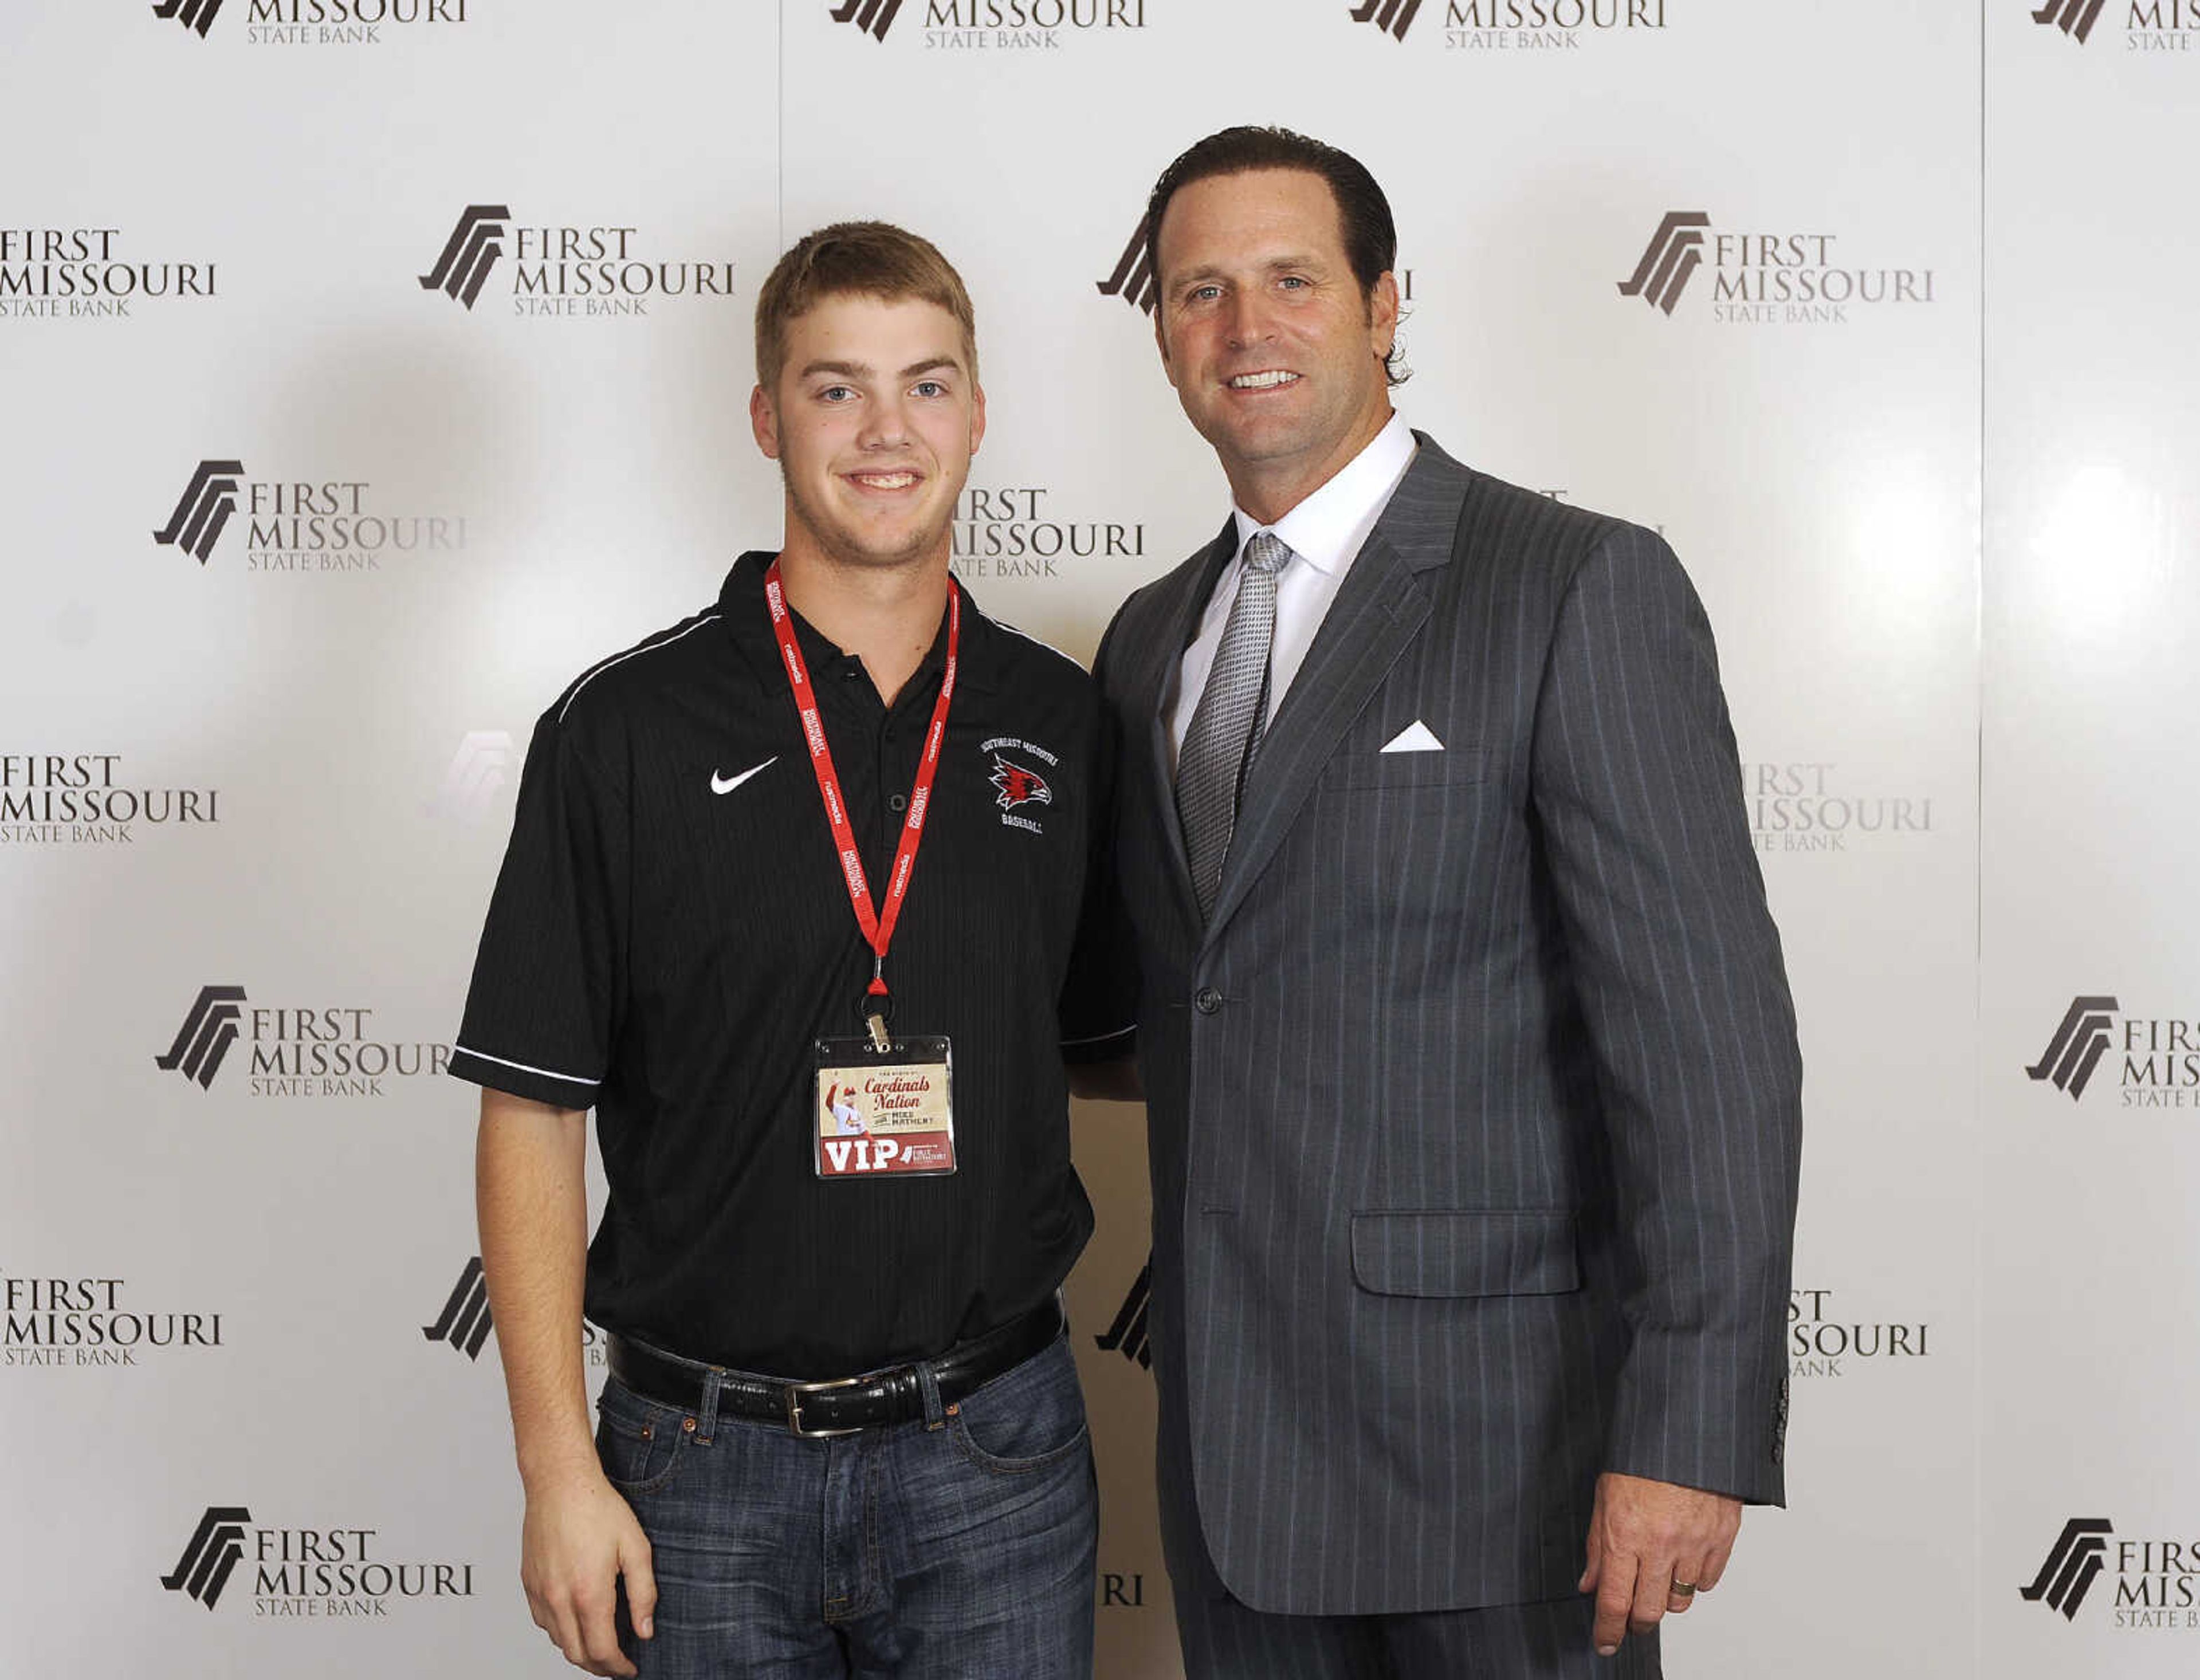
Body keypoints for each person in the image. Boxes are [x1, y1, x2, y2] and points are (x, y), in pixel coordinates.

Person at [1090, 127, 1804, 1678]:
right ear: (1160, 333)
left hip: (1510, 1478)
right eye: (1199, 290)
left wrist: (1686, 1429)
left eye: (1292, 278)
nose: (1244, 326)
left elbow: (1708, 1052)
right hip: (1234, 1476)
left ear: (1385, 303)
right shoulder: (1150, 641)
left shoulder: (1572, 585)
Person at [451, 221, 1132, 1679]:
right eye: (838, 388)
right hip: (696, 1471)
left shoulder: (1062, 726)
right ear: (768, 416)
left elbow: (1124, 1043)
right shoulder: (622, 732)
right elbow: (532, 1108)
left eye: (928, 385)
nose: (889, 431)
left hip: (996, 1458)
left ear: (979, 412)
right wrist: (557, 1474)